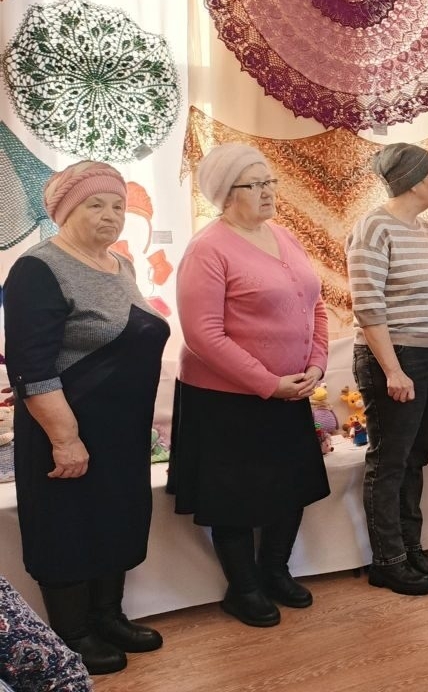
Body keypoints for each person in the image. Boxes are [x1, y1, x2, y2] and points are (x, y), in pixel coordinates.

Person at [3, 161, 170, 674]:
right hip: (66, 433)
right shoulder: (38, 268)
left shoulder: (120, 265)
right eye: (95, 204)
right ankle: (73, 633)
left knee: (115, 520)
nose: (110, 215)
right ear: (65, 210)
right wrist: (65, 437)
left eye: (118, 205)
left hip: (120, 432)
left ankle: (107, 616)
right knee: (67, 528)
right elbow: (31, 366)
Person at [168, 143, 331, 628]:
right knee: (234, 500)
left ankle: (275, 572)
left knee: (291, 488)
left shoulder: (284, 235)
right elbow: (202, 335)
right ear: (225, 193)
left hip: (290, 391)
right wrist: (267, 382)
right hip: (225, 401)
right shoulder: (208, 248)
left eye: (269, 182)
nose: (268, 192)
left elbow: (315, 304)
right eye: (254, 184)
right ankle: (243, 589)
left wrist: (317, 364)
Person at [346, 143, 428, 596]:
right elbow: (368, 305)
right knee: (390, 461)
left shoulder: (423, 229)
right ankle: (387, 561)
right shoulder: (373, 226)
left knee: (415, 458)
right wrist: (393, 370)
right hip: (396, 359)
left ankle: (410, 548)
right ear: (411, 181)